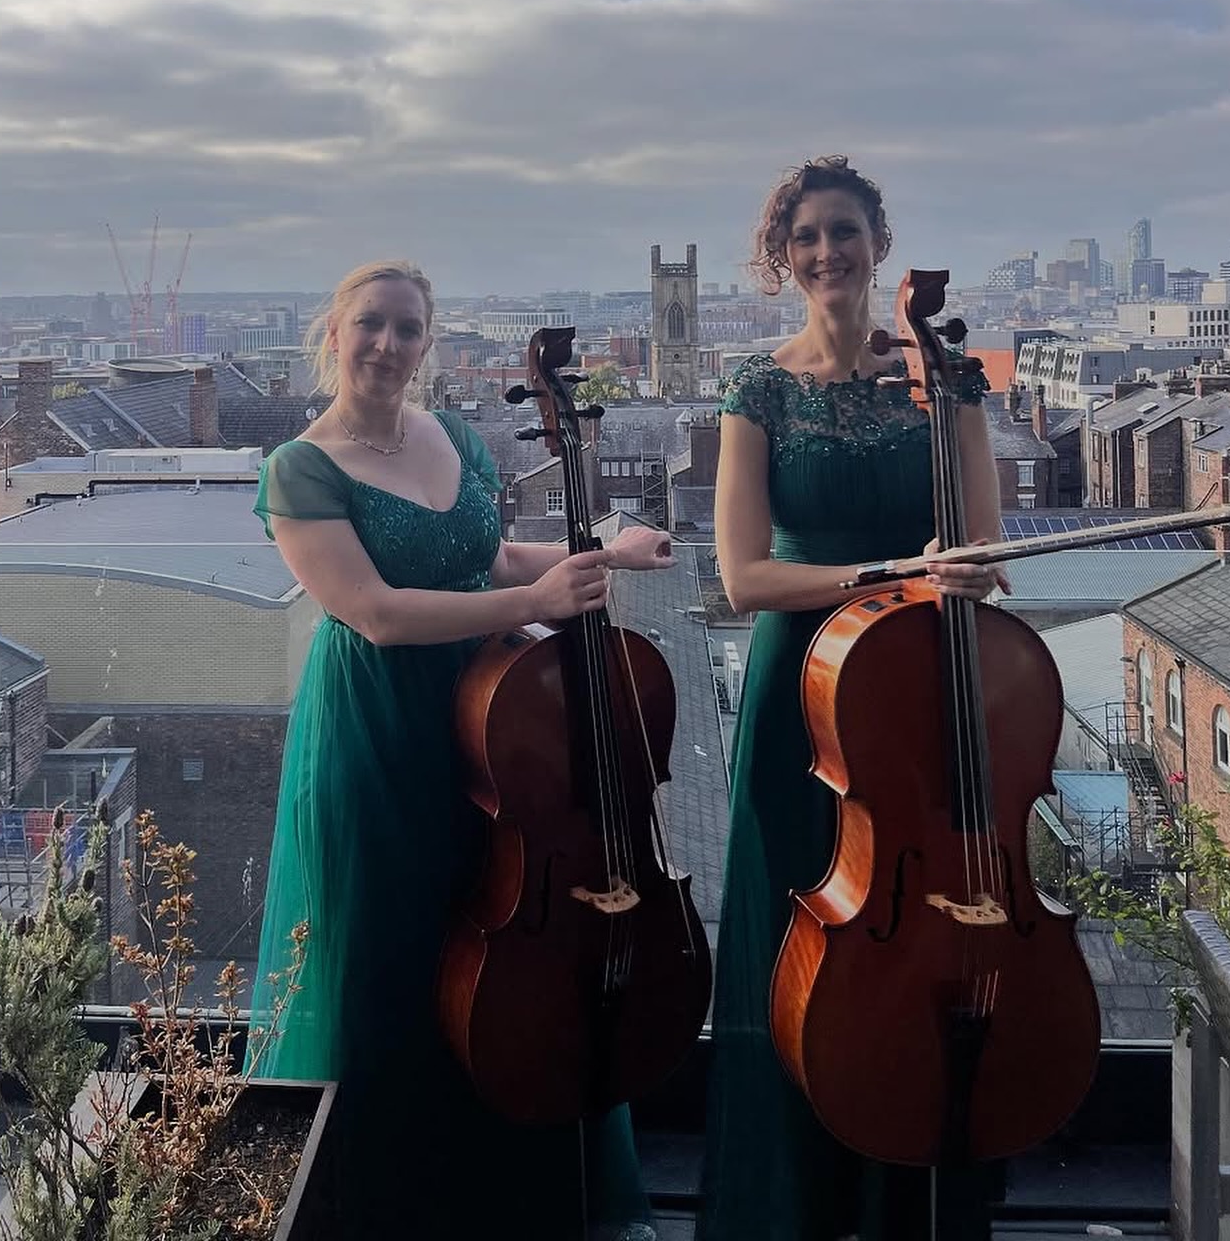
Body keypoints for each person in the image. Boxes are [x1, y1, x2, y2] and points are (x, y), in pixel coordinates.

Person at [249, 259, 675, 1241]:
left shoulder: (453, 438)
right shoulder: (301, 469)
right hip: (380, 731)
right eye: (371, 326)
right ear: (334, 333)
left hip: (489, 729)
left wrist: (608, 543)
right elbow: (379, 612)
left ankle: (500, 1194)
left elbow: (487, 555)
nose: (388, 346)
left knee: (493, 955)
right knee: (391, 959)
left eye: (407, 329)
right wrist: (533, 606)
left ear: (428, 342)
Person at [698, 158, 1009, 1241]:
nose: (826, 251)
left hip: (924, 681)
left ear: (881, 241)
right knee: (807, 945)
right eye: (806, 237)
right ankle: (801, 1203)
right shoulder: (758, 389)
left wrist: (957, 568)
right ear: (783, 260)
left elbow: (983, 543)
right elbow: (743, 579)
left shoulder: (947, 376)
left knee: (919, 924)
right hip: (808, 689)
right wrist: (892, 575)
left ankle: (912, 1187)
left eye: (844, 230)